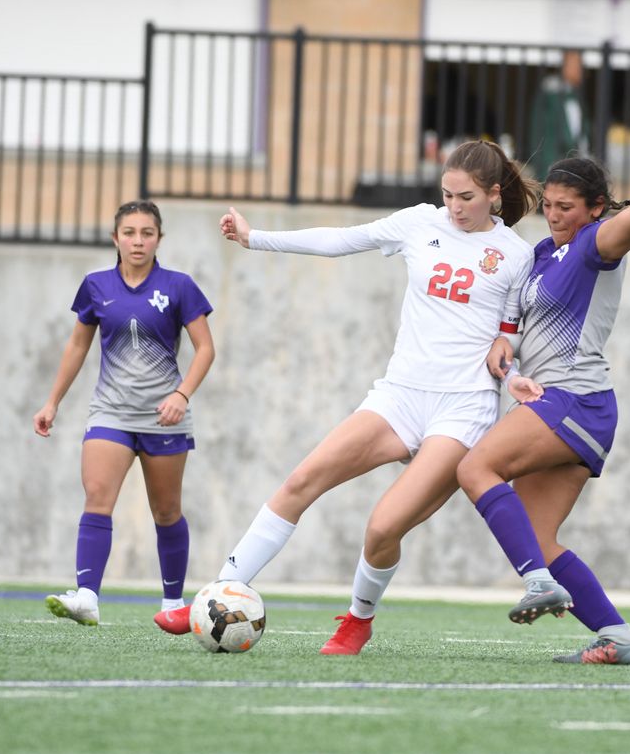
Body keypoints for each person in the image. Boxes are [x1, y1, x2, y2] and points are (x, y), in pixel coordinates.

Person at [154, 141, 540, 655]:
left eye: (465, 197)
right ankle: (214, 594)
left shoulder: (516, 252)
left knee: (382, 527)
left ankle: (358, 621)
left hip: (463, 408)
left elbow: (509, 331)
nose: (453, 207)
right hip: (400, 395)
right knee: (300, 481)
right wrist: (254, 238)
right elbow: (339, 239)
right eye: (446, 195)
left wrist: (507, 355)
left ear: (493, 195)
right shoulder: (419, 223)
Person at [455, 119, 630, 665]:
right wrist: (503, 347)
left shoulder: (594, 244)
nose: (557, 216)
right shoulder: (542, 253)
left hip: (574, 401)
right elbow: (513, 323)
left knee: (474, 469)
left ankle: (537, 583)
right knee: (539, 538)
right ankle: (622, 639)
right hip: (558, 405)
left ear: (595, 207)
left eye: (568, 207)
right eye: (551, 206)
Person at [33, 200, 215, 625]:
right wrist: (52, 401)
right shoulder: (96, 285)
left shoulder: (179, 286)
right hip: (110, 412)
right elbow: (78, 345)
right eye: (129, 232)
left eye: (146, 233)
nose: (138, 241)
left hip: (164, 416)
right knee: (97, 496)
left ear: (159, 239)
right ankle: (86, 597)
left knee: (167, 512)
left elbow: (206, 349)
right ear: (115, 238)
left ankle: (173, 606)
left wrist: (182, 395)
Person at [527, 49, 590, 179]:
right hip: (553, 164)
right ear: (564, 66)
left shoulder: (576, 95)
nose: (580, 70)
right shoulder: (550, 93)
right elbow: (543, 133)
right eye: (576, 65)